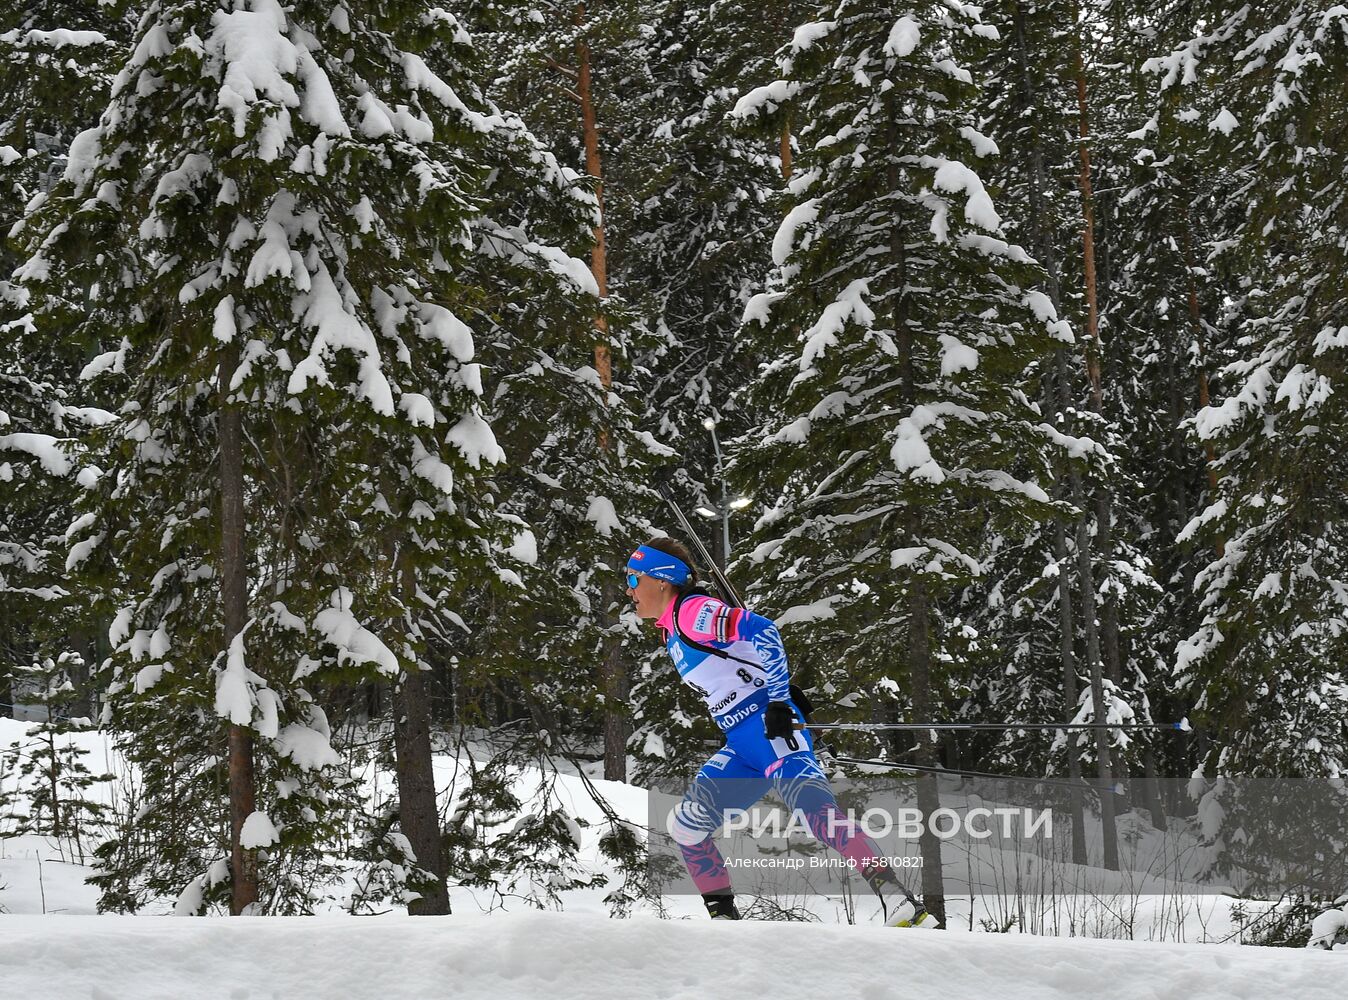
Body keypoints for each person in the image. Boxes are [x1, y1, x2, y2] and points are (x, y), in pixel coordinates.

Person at [625, 536, 932, 925]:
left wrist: (778, 702)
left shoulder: (693, 613)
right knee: (688, 825)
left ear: (662, 580)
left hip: (769, 731)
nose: (629, 589)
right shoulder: (672, 630)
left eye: (634, 579)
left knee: (816, 813)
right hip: (742, 744)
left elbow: (765, 631)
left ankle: (900, 901)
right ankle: (724, 920)